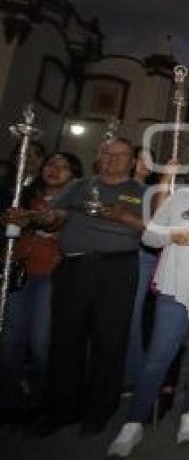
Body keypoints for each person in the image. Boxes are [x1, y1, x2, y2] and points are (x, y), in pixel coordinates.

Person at [108, 151, 189, 457]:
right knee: (159, 355)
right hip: (176, 285)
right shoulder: (181, 197)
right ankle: (134, 422)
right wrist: (173, 235)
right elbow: (150, 237)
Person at [32, 138, 145, 436]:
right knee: (65, 338)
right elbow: (54, 219)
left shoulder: (142, 192)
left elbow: (154, 231)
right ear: (97, 158)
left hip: (117, 268)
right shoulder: (78, 186)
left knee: (110, 340)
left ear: (132, 161)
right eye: (105, 153)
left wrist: (123, 216)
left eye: (119, 155)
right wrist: (46, 218)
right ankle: (60, 408)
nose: (111, 159)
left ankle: (99, 410)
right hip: (73, 267)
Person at [0, 152, 82, 423]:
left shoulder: (78, 202)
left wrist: (37, 220)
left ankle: (41, 399)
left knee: (40, 343)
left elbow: (56, 223)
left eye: (63, 166)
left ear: (74, 174)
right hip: (20, 273)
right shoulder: (21, 197)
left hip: (51, 276)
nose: (55, 170)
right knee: (10, 342)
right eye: (50, 164)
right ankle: (11, 401)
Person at [123, 147, 161, 393]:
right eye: (142, 159)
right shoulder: (114, 187)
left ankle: (132, 375)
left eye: (151, 160)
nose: (147, 164)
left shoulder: (152, 192)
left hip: (140, 255)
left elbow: (154, 225)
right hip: (110, 254)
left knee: (131, 316)